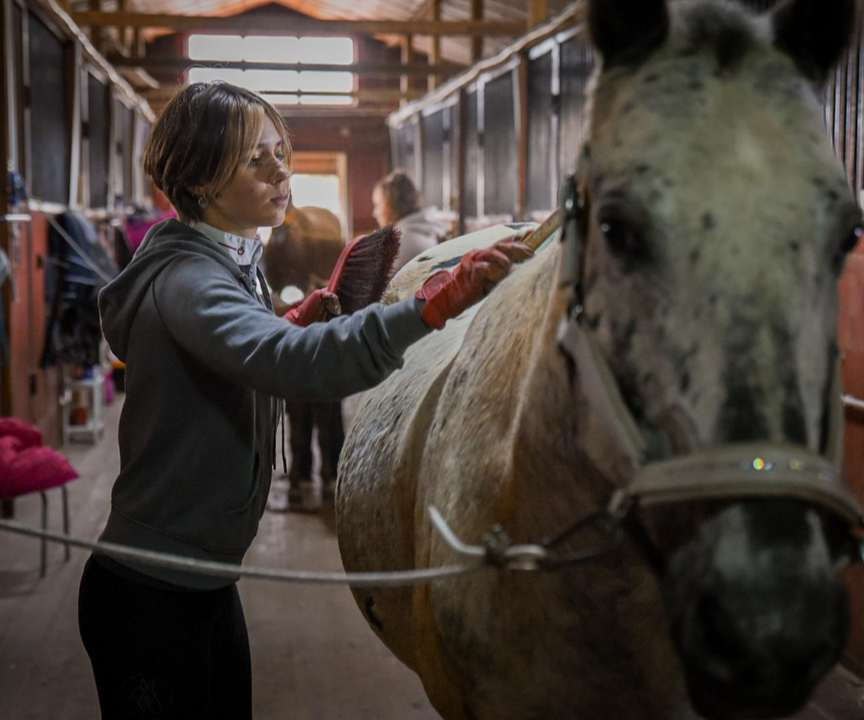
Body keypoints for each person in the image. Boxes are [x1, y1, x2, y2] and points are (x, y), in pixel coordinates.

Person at [77, 81, 532, 720]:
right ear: (201, 181)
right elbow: (288, 364)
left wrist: (289, 321)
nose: (280, 171)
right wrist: (432, 305)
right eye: (254, 159)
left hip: (203, 581)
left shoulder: (229, 265)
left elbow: (243, 351)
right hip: (152, 595)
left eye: (279, 153)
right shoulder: (190, 279)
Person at [261, 203, 346, 509]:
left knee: (325, 404)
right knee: (299, 406)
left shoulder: (323, 238)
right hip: (297, 323)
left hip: (322, 325)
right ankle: (303, 472)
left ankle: (329, 471)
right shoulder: (278, 239)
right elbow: (272, 276)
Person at [372, 170, 447, 274]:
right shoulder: (425, 229)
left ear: (391, 206)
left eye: (378, 205)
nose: (374, 213)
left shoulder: (401, 243)